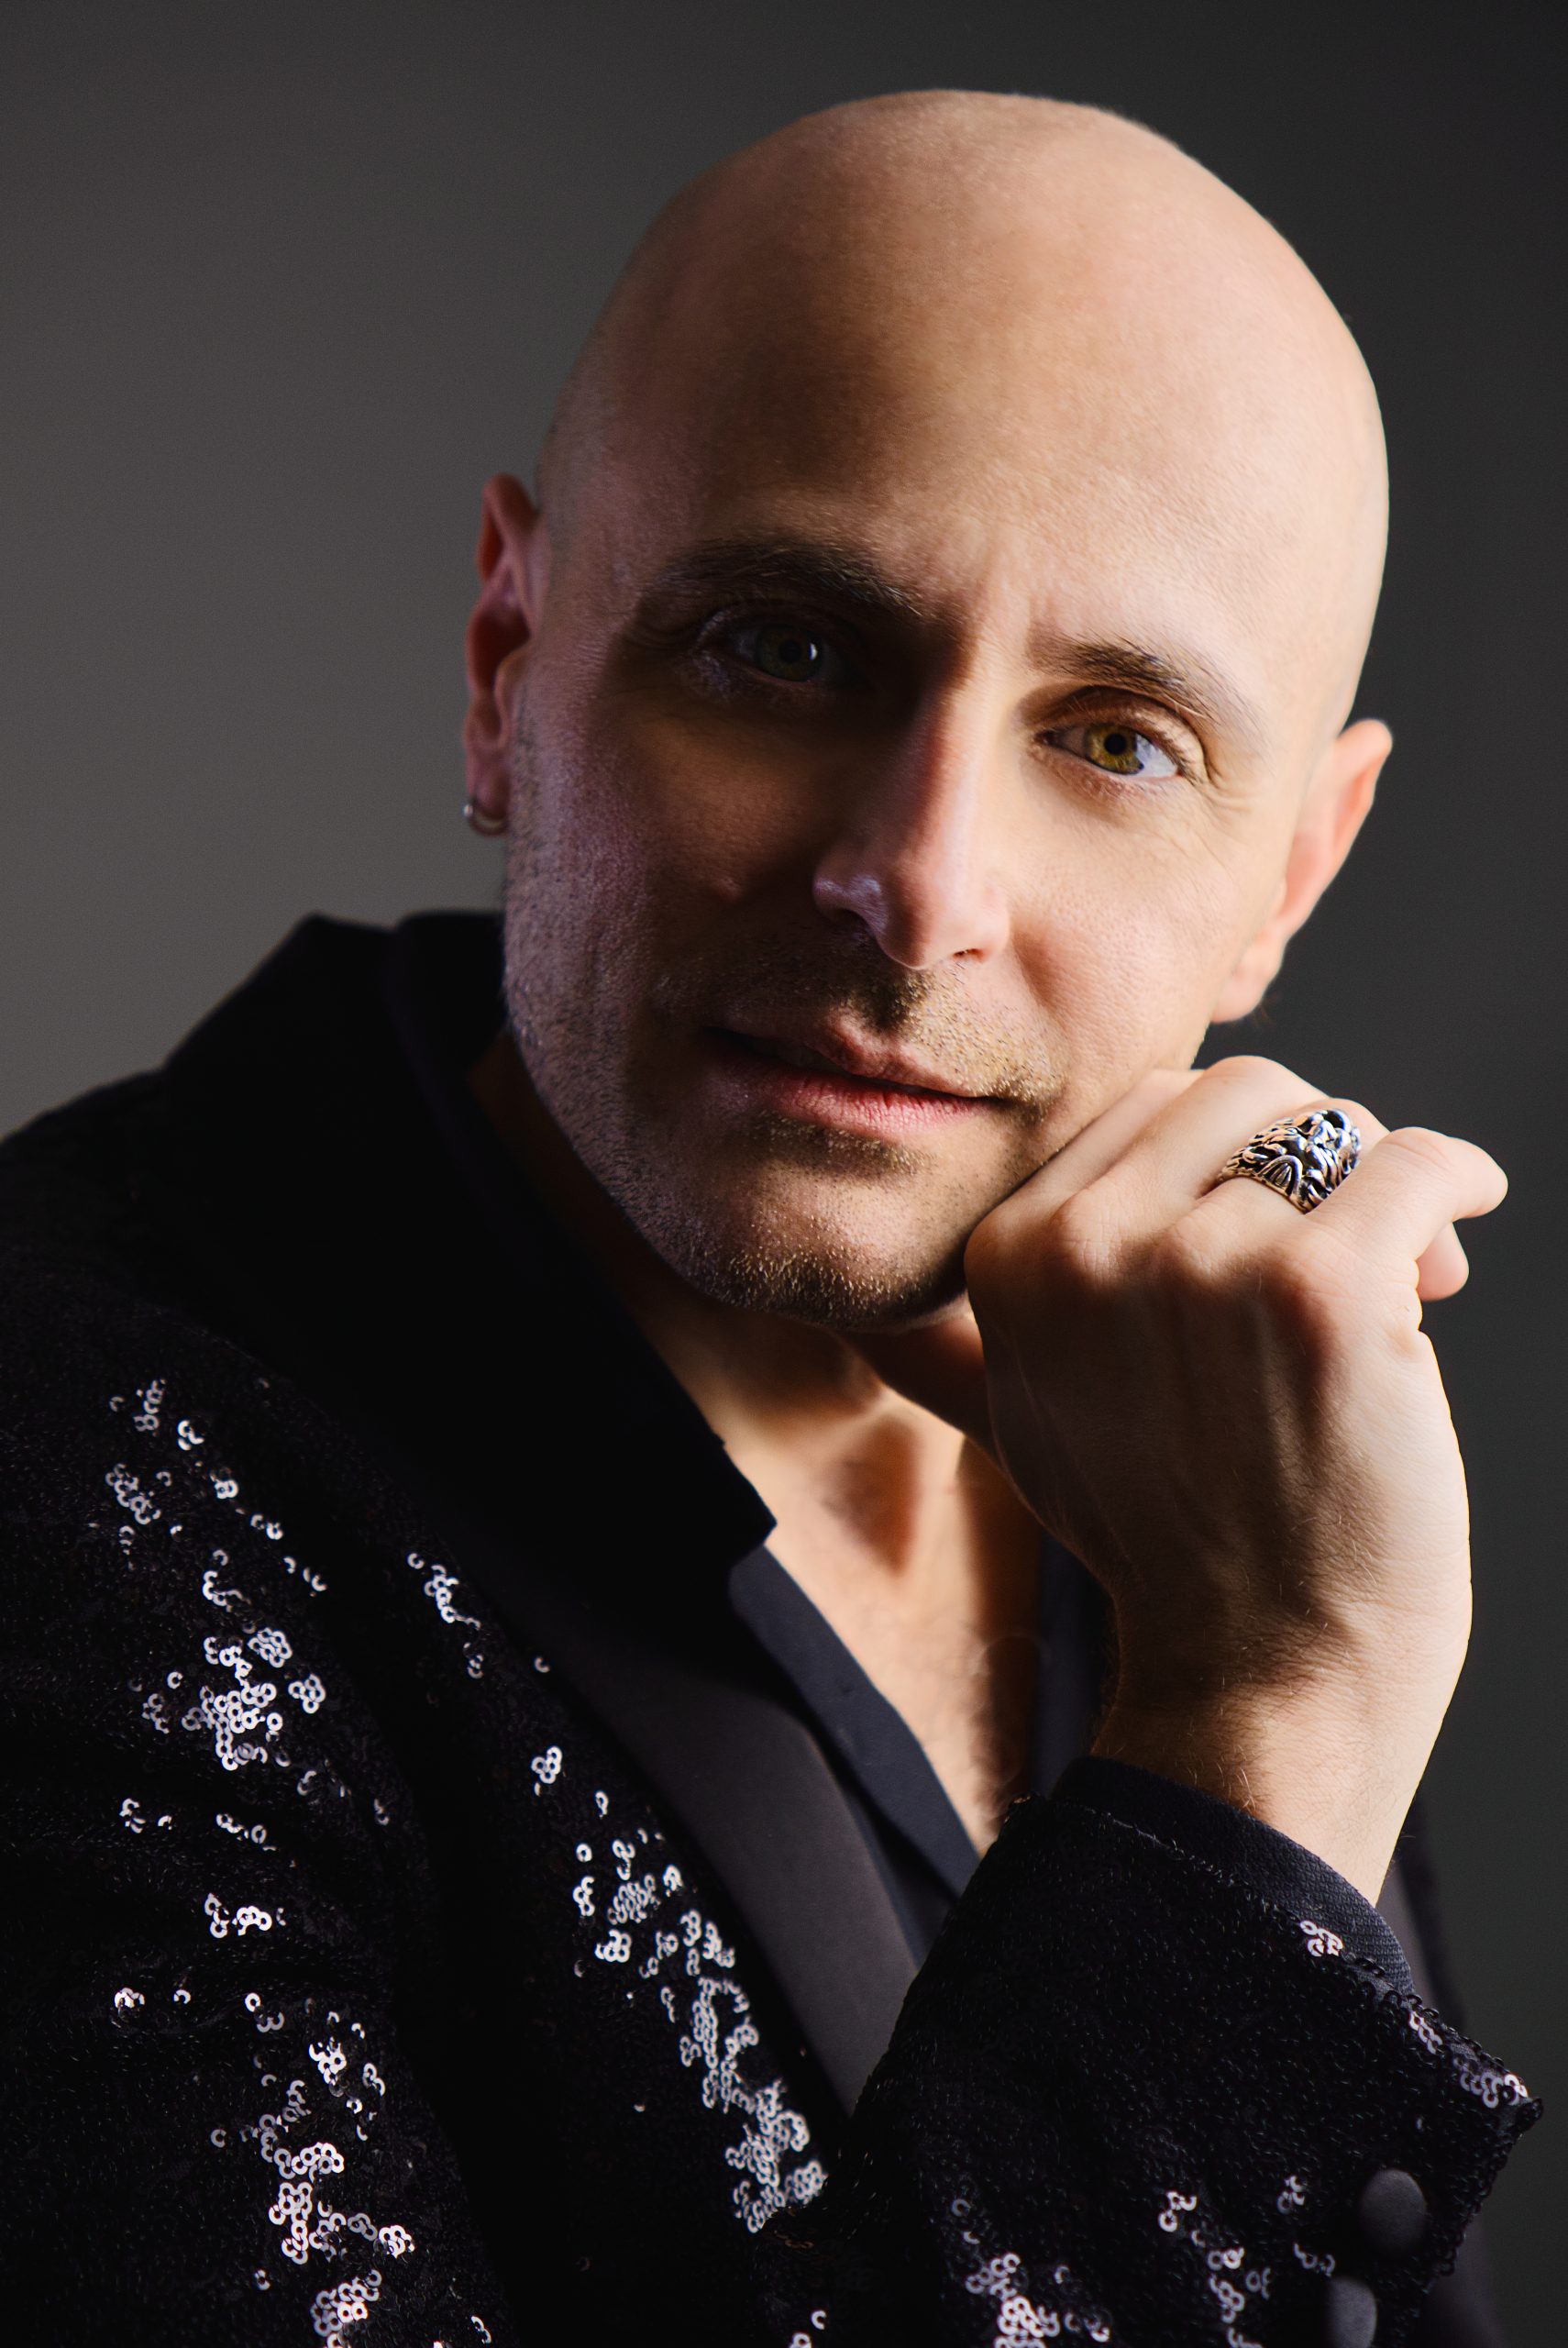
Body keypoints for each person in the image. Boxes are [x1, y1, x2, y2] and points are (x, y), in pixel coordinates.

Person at [0, 87, 1540, 2347]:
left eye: (1116, 738)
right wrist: (1266, 1724)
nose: (918, 884)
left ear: (1291, 872)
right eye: (788, 648)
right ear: (507, 661)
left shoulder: (1215, 1421)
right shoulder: (63, 1479)